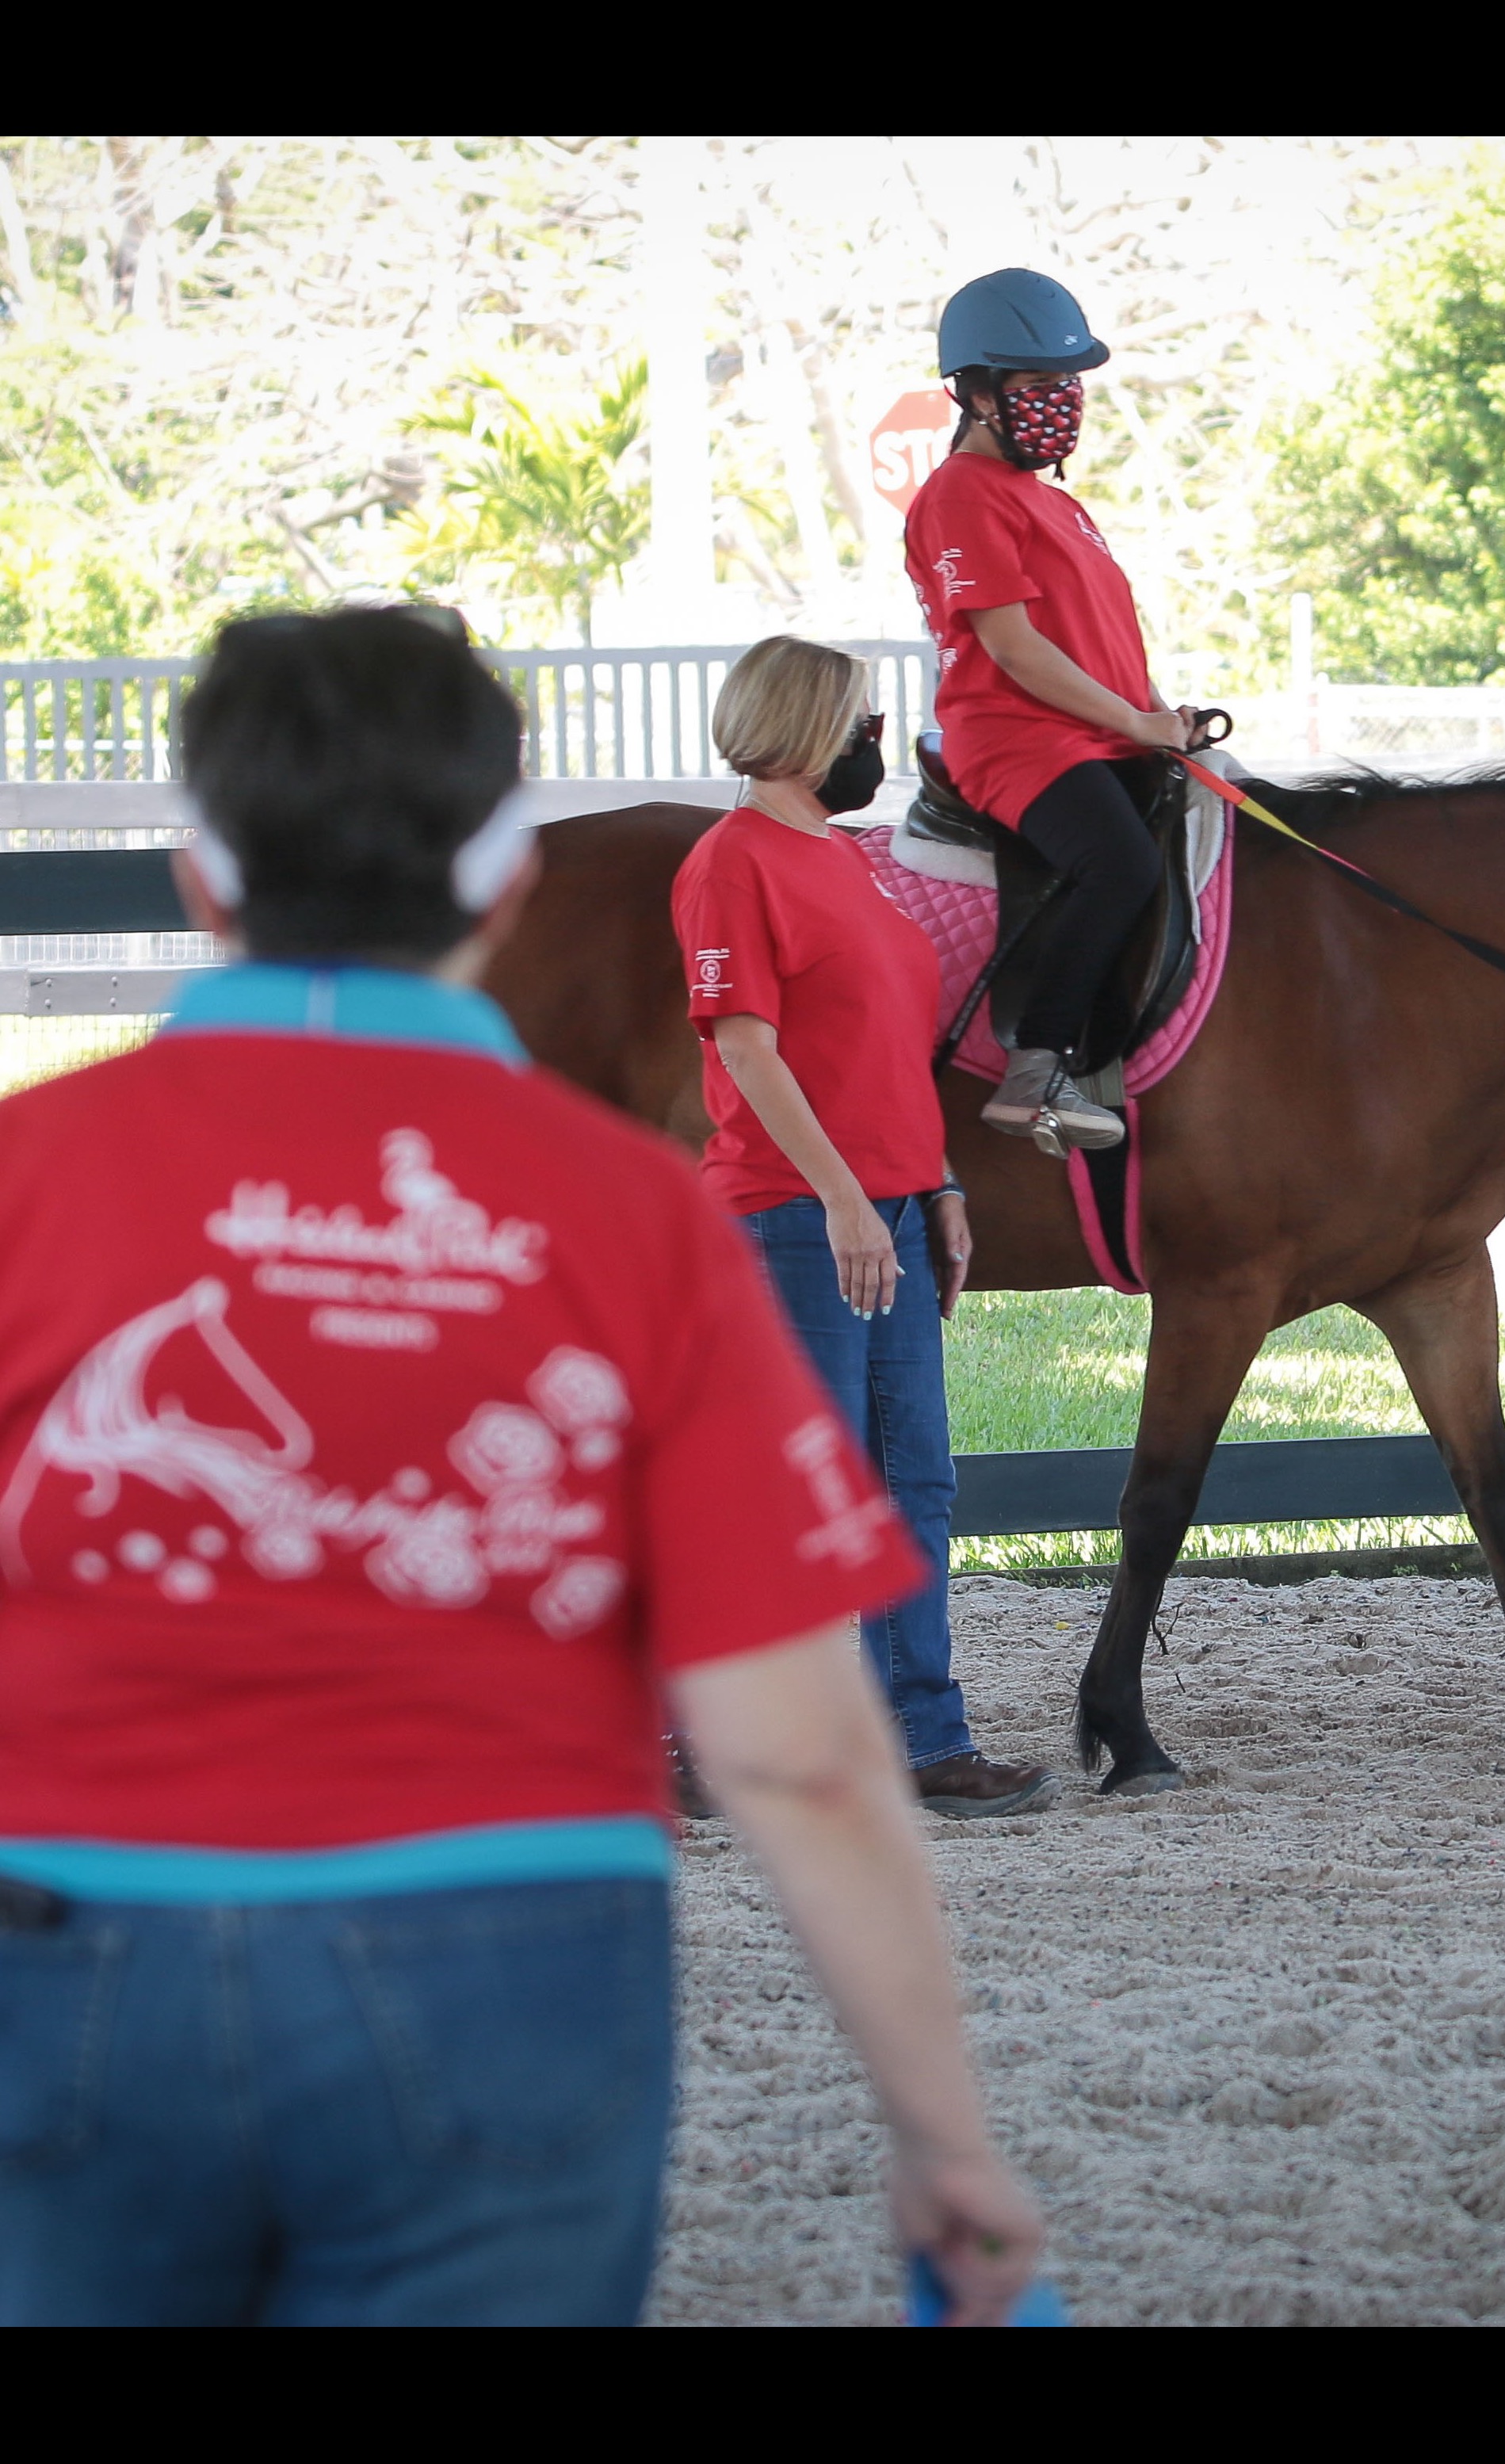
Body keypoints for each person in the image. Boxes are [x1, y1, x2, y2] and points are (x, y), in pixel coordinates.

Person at [0, 609, 1041, 2327]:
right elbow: (800, 1758)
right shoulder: (639, 1221)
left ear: (201, 879)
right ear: (500, 888)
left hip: (69, 1948)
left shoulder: (27, 1177)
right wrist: (942, 2136)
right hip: (507, 1950)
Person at [671, 636, 1057, 1820]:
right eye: (863, 728)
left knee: (914, 1485)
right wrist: (841, 1194)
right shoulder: (731, 863)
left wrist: (932, 1184)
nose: (877, 749)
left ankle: (925, 1738)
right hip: (791, 1214)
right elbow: (745, 1046)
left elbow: (888, 1052)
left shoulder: (858, 862)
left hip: (885, 1208)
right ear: (802, 729)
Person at [902, 266, 1200, 1152]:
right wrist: (1135, 725)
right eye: (1035, 387)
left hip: (1103, 734)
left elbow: (1107, 638)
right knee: (1118, 865)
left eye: (1067, 385)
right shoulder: (957, 494)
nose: (1058, 402)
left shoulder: (1056, 501)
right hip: (1021, 742)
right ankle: (1038, 1067)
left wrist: (1160, 717)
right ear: (975, 394)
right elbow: (1014, 648)